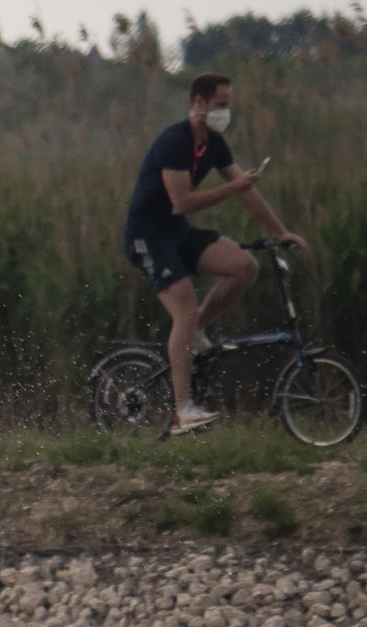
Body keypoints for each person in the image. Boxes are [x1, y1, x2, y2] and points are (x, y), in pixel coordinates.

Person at [121, 73, 304, 437]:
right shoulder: (174, 141)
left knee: (243, 266)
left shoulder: (215, 144)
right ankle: (183, 410)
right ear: (199, 103)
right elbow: (182, 201)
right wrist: (234, 186)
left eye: (228, 106)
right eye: (220, 105)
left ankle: (197, 330)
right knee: (184, 308)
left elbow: (246, 191)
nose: (225, 112)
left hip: (177, 231)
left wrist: (281, 232)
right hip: (148, 236)